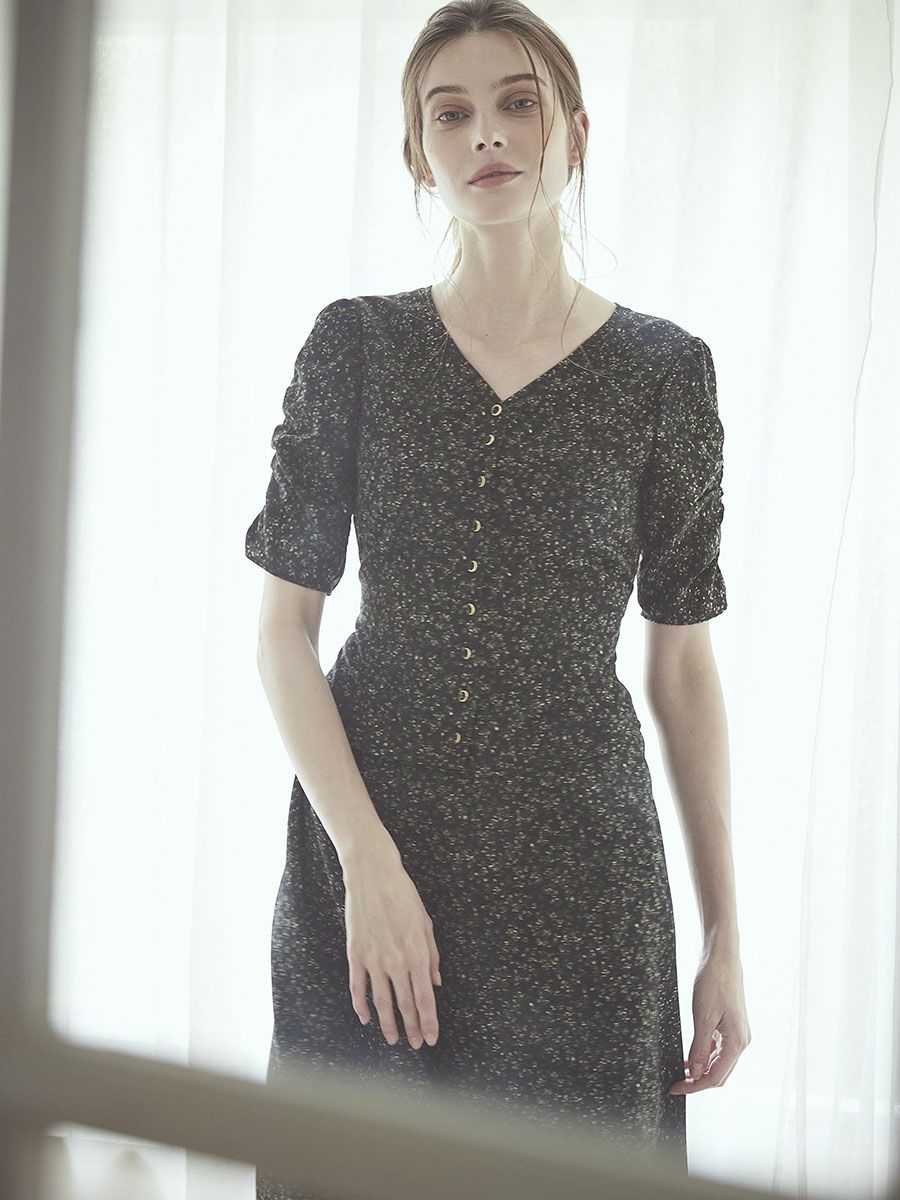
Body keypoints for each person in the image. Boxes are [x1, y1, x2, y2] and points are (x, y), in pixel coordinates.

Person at [246, 2, 751, 1196]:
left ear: (575, 132)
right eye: (452, 113)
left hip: (582, 879)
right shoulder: (355, 347)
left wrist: (727, 933)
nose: (487, 134)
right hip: (368, 854)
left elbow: (682, 668)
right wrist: (365, 862)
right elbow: (282, 635)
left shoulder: (665, 374)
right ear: (419, 153)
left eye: (518, 104)